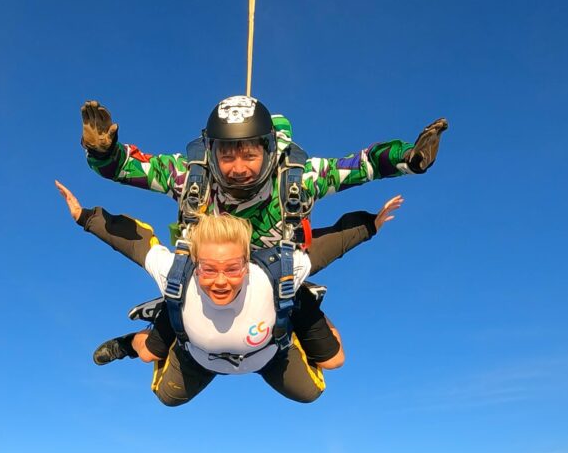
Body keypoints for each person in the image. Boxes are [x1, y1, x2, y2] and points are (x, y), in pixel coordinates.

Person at [55, 180, 401, 406]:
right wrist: (85, 217)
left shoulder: (272, 275)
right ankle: (134, 337)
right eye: (208, 269)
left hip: (269, 350)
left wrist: (370, 224)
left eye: (233, 268)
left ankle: (301, 300)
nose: (220, 281)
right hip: (197, 351)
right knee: (160, 380)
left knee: (329, 369)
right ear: (196, 265)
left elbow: (329, 246)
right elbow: (134, 244)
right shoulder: (178, 274)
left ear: (247, 264)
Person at [81, 95, 446, 247]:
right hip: (210, 278)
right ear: (210, 152)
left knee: (326, 355)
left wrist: (408, 158)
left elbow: (363, 164)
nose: (238, 168)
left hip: (278, 275)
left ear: (270, 150)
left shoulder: (298, 178)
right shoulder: (193, 175)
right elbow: (127, 169)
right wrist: (103, 151)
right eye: (227, 156)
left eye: (250, 155)